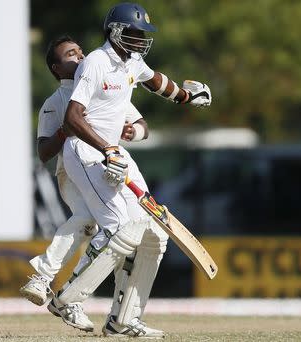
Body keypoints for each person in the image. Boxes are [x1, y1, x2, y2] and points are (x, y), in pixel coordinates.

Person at [49, 2, 211, 337]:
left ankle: (124, 319)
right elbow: (73, 118)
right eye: (134, 33)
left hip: (115, 153)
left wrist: (185, 96)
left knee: (153, 235)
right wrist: (106, 148)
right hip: (86, 153)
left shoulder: (132, 61)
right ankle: (67, 299)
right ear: (115, 32)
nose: (140, 40)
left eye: (143, 34)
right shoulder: (95, 62)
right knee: (120, 229)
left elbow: (156, 82)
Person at [19, 35, 168, 335]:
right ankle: (47, 280)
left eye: (79, 51)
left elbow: (142, 126)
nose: (79, 56)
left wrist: (133, 131)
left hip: (107, 163)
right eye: (69, 55)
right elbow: (44, 152)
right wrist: (66, 129)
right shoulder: (56, 102)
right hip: (73, 169)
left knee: (128, 235)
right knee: (93, 222)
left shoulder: (104, 79)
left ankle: (121, 318)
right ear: (56, 69)